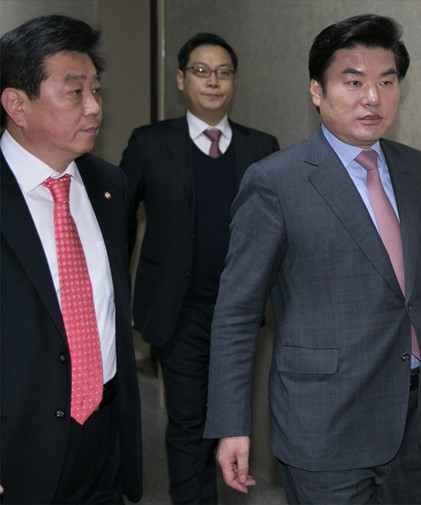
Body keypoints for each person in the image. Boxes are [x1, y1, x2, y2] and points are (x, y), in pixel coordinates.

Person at [205, 13, 421, 504]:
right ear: (317, 91)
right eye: (353, 81)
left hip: (412, 416)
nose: (373, 98)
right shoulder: (277, 181)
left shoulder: (417, 170)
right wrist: (232, 423)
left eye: (386, 81)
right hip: (324, 423)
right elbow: (237, 311)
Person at [119, 32, 279, 504]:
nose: (213, 81)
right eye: (202, 71)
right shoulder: (150, 143)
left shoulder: (261, 147)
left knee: (229, 419)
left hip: (240, 313)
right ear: (181, 79)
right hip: (178, 309)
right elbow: (118, 224)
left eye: (223, 72)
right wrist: (117, 296)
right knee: (189, 422)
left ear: (234, 82)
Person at [0, 15, 142, 504]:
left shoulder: (108, 185)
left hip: (104, 436)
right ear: (17, 104)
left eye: (96, 90)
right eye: (75, 92)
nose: (95, 107)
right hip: (16, 446)